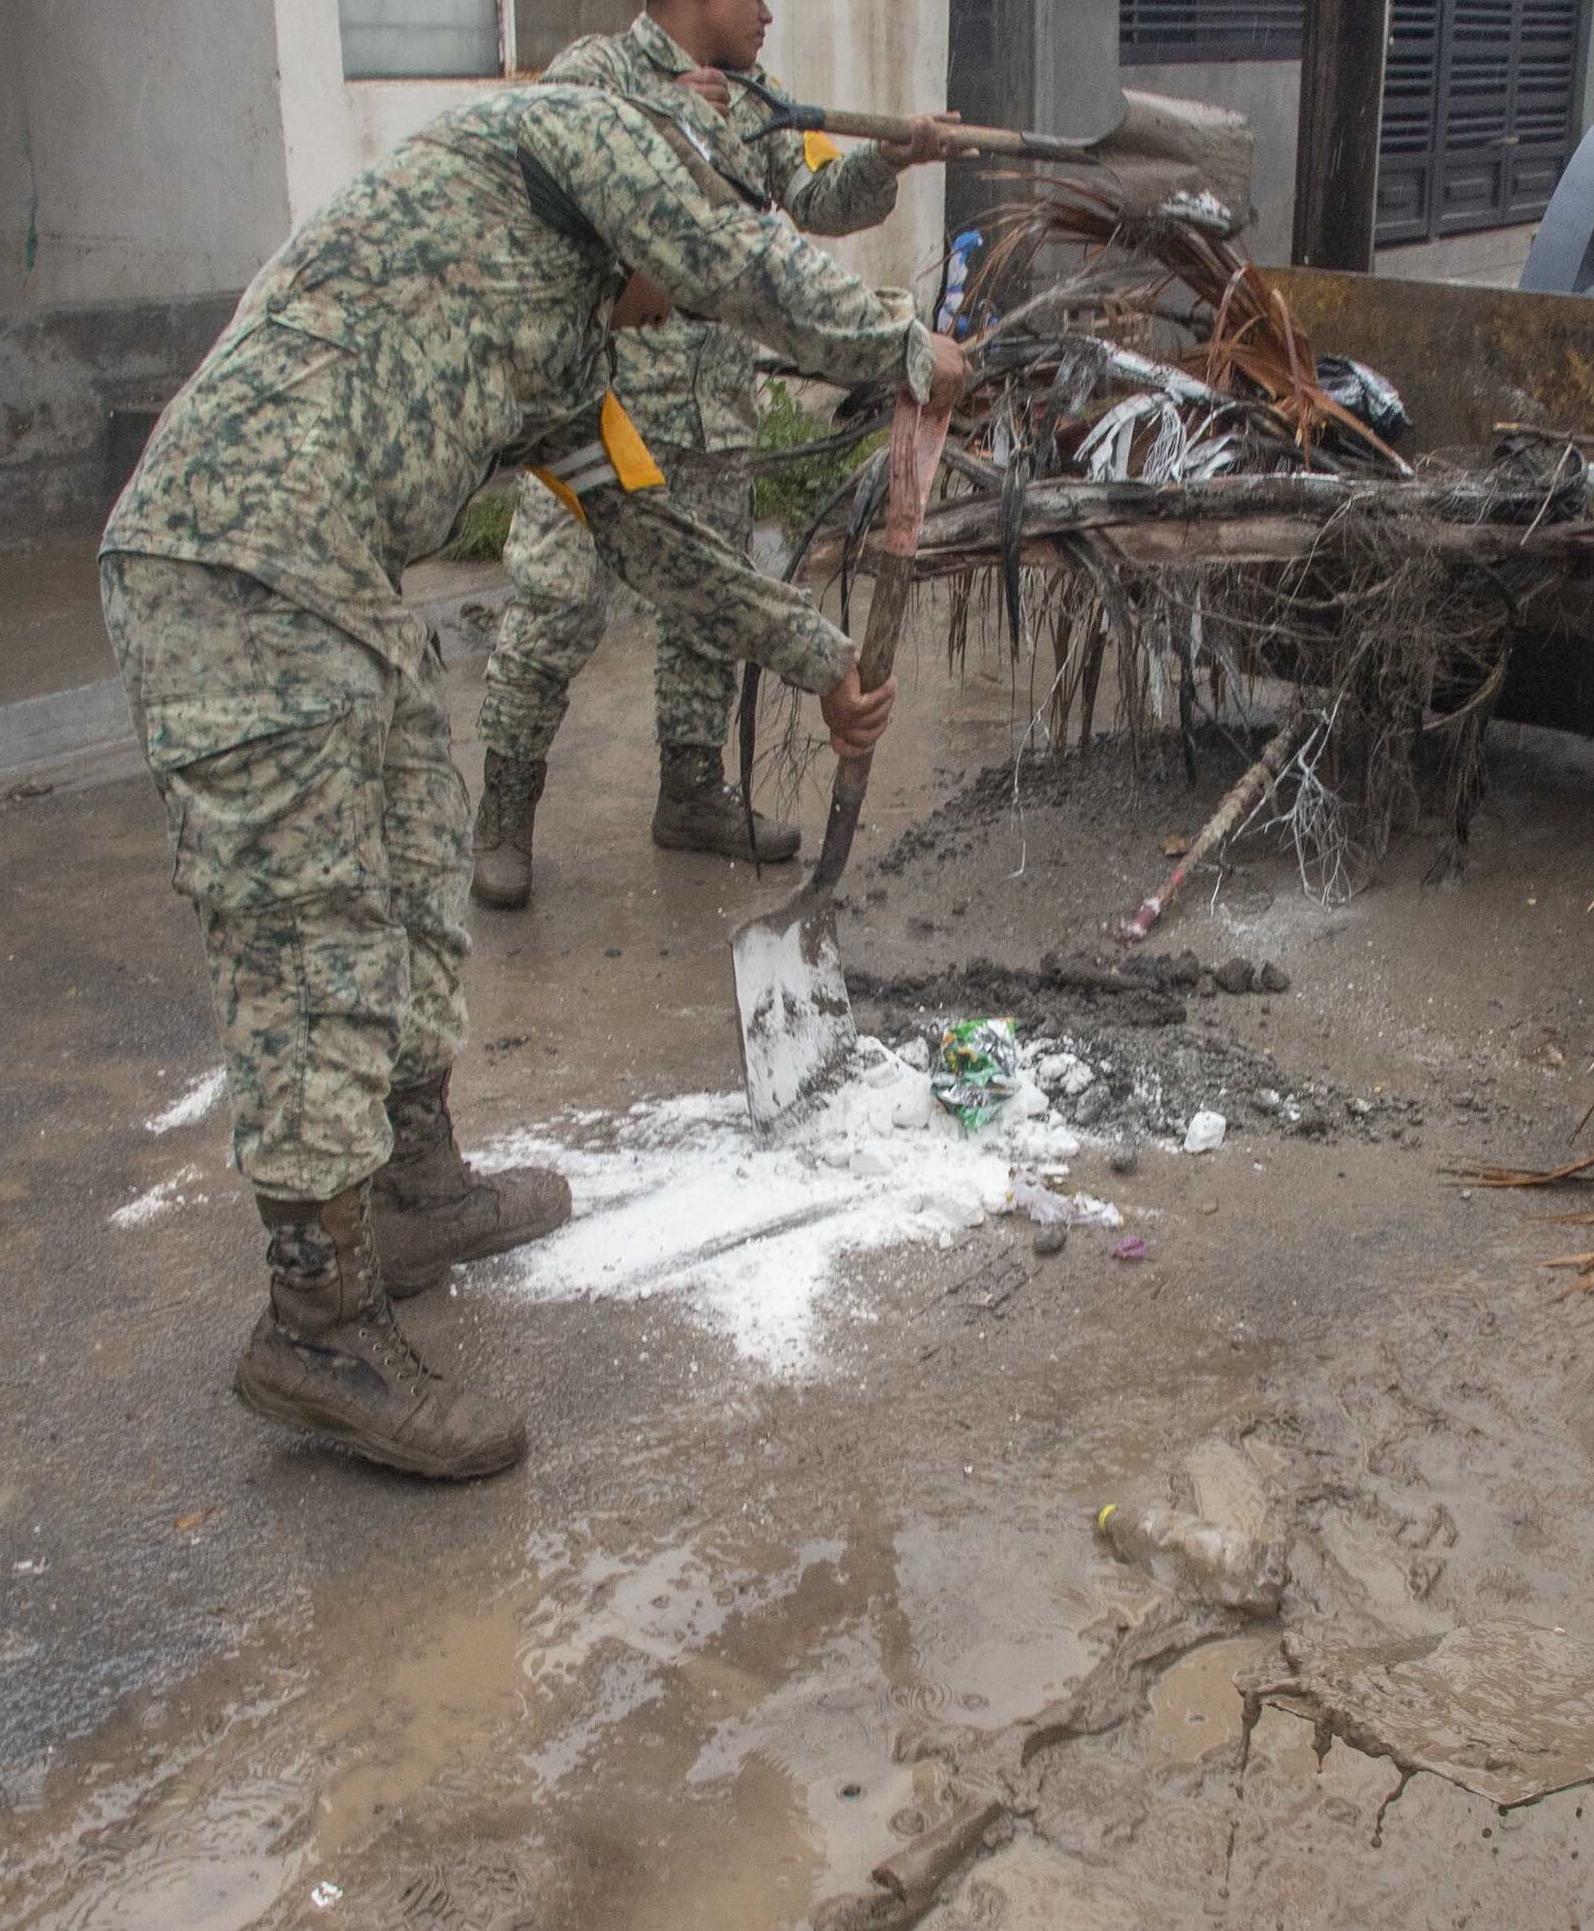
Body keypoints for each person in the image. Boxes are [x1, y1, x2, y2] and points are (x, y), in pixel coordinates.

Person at [101, 77, 966, 1483]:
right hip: (228, 566)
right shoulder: (547, 137)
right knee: (314, 931)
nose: (665, 318)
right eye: (662, 289)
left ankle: (414, 1182)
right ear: (649, 221)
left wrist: (817, 655)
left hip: (341, 584)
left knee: (416, 862)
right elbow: (738, 261)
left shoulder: (574, 367)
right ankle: (315, 1325)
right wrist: (905, 351)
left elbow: (651, 532)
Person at [474, 0, 967, 909]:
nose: (768, 8)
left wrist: (892, 157)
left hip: (712, 410)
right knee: (554, 605)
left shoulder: (760, 100)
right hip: (599, 405)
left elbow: (820, 201)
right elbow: (550, 203)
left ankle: (690, 793)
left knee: (706, 614)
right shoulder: (594, 78)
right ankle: (503, 813)